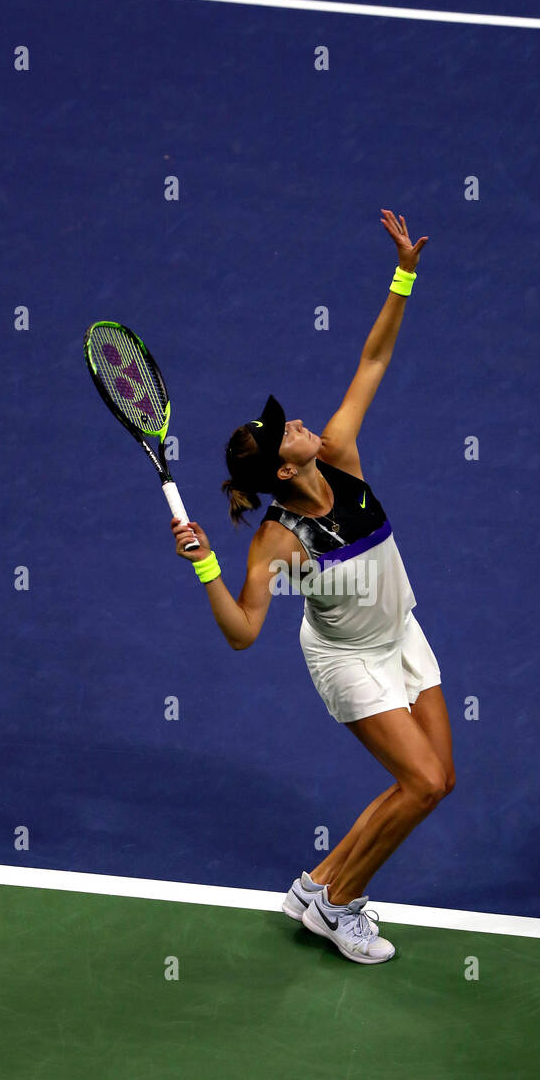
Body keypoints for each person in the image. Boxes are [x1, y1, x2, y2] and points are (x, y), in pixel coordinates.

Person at [171, 210, 455, 964]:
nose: (295, 421)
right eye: (283, 432)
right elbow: (242, 632)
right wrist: (205, 565)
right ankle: (334, 904)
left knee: (437, 781)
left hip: (403, 635)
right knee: (419, 783)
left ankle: (317, 886)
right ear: (284, 470)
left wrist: (404, 274)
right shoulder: (278, 542)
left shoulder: (340, 453)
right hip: (347, 660)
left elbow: (372, 360)